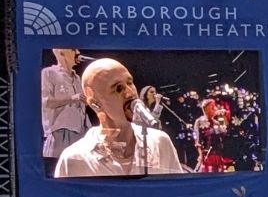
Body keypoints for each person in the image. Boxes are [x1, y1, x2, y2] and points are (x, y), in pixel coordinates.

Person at [54, 58, 184, 177]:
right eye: (118, 88)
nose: (130, 93)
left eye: (130, 83)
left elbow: (178, 193)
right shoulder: (74, 159)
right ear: (94, 103)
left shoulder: (160, 142)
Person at [40, 48, 89, 158]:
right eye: (73, 50)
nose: (78, 52)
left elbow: (81, 104)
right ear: (62, 53)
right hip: (59, 131)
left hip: (79, 132)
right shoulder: (48, 73)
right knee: (56, 166)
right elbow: (46, 102)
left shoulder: (77, 78)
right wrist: (72, 98)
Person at [193, 98, 234, 173]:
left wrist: (224, 117)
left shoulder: (216, 123)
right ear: (206, 109)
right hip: (207, 156)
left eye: (214, 106)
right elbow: (197, 140)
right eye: (212, 107)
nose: (215, 109)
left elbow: (224, 133)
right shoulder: (199, 121)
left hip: (218, 156)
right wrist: (201, 155)